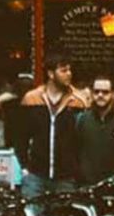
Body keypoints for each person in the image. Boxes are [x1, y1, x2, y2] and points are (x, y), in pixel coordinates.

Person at [10, 58, 85, 197]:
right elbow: (21, 136)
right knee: (33, 214)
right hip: (36, 174)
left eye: (70, 70)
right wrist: (24, 167)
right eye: (63, 70)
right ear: (51, 74)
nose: (69, 74)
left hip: (66, 177)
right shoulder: (32, 98)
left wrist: (77, 170)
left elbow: (83, 139)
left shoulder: (78, 101)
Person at [74, 75, 114, 187]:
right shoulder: (81, 120)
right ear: (92, 94)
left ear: (113, 94)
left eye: (105, 92)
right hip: (86, 188)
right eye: (96, 92)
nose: (100, 95)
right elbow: (74, 152)